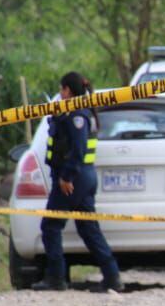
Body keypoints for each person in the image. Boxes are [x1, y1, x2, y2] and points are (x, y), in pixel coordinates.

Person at [33, 71, 124, 293]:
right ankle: (112, 276)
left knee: (51, 226)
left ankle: (56, 277)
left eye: (61, 89)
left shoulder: (77, 116)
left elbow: (78, 150)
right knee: (88, 229)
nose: (60, 93)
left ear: (68, 90)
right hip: (82, 178)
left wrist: (66, 177)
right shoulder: (73, 112)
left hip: (73, 179)